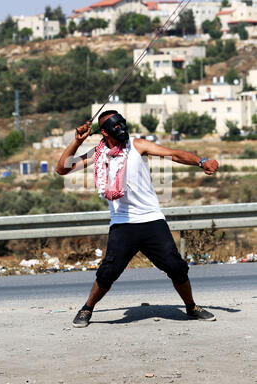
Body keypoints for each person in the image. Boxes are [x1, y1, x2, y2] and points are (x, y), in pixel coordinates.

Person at [56, 110, 219, 328]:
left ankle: (191, 307)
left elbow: (174, 154)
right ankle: (87, 308)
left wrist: (202, 161)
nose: (122, 128)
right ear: (104, 132)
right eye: (116, 126)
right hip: (123, 224)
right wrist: (76, 142)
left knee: (176, 266)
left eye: (123, 123)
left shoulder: (138, 145)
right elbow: (62, 169)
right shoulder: (98, 153)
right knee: (108, 271)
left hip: (151, 220)